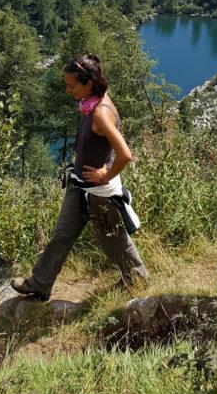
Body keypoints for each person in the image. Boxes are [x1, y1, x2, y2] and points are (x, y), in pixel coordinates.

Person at [11, 53, 148, 301]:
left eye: (71, 85)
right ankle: (40, 283)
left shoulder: (100, 113)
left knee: (113, 240)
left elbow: (125, 154)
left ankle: (137, 280)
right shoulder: (89, 103)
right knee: (62, 234)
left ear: (89, 83)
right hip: (79, 185)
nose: (67, 90)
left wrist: (105, 175)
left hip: (99, 193)